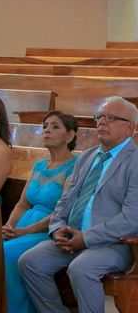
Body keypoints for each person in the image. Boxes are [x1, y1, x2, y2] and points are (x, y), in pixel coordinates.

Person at [19, 96, 138, 313]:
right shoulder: (87, 157)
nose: (102, 122)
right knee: (30, 261)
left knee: (81, 268)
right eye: (99, 117)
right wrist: (57, 229)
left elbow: (131, 219)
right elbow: (64, 201)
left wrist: (87, 238)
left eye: (111, 118)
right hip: (73, 236)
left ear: (130, 128)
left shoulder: (135, 162)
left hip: (114, 244)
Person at [2, 111, 78, 313]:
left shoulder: (74, 167)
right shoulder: (39, 165)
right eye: (45, 126)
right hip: (23, 225)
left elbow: (62, 210)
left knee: (7, 252)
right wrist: (9, 226)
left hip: (48, 231)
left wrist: (24, 232)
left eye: (55, 126)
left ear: (69, 136)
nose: (47, 130)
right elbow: (22, 204)